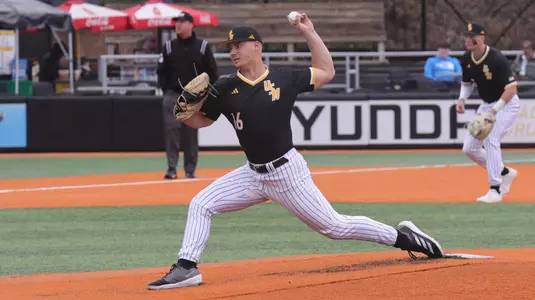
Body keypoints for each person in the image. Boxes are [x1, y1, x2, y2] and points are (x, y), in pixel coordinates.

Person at [147, 14, 444, 290]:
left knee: (334, 227)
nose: (233, 51)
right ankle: (187, 267)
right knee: (201, 204)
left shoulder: (283, 80)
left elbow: (327, 71)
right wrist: (185, 113)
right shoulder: (225, 86)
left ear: (256, 47)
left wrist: (309, 32)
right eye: (230, 47)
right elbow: (202, 121)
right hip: (252, 174)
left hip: (287, 173)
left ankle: (404, 237)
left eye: (238, 45)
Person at [456, 23, 520, 203]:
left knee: (491, 139)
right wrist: (462, 99)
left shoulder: (496, 58)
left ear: (482, 38)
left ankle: (495, 189)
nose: (468, 40)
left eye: (472, 36)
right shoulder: (466, 58)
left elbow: (511, 89)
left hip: (506, 104)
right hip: (486, 105)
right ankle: (505, 173)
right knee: (469, 148)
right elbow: (467, 83)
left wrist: (493, 111)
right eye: (466, 36)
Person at [157, 12, 218, 179]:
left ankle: (190, 170)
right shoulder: (169, 47)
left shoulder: (202, 46)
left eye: (182, 22)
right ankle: (171, 168)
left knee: (191, 133)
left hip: (194, 97)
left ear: (191, 25)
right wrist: (166, 90)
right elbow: (161, 71)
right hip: (173, 94)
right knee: (171, 131)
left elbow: (212, 72)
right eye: (177, 22)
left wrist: (204, 94)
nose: (178, 25)